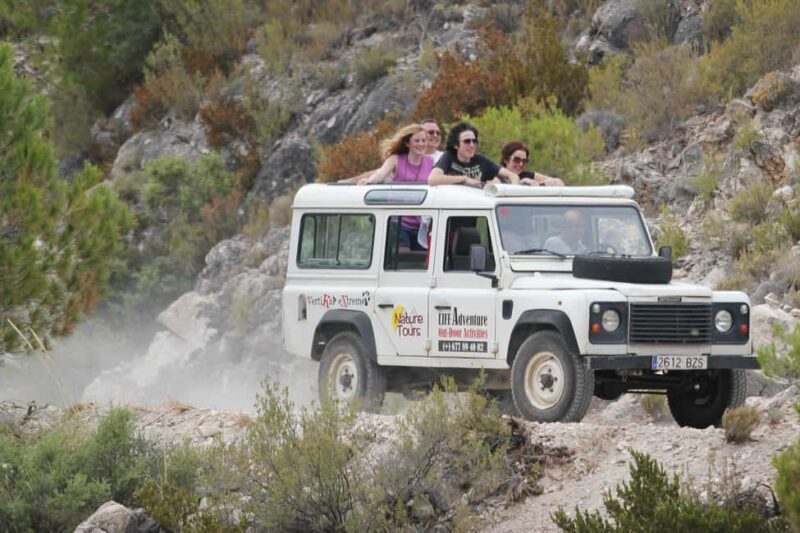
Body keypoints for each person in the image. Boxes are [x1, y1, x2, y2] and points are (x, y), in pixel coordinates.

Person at [358, 124, 433, 251]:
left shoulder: (430, 161)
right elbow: (381, 174)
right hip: (398, 221)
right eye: (417, 140)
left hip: (420, 224)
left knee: (420, 262)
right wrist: (370, 181)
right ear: (407, 143)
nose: (421, 144)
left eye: (424, 141)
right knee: (403, 256)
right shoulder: (395, 159)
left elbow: (438, 180)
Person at [428, 122, 519, 186]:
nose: (472, 145)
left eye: (474, 141)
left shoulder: (481, 160)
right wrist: (464, 179)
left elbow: (512, 176)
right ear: (456, 145)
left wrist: (513, 189)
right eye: (467, 141)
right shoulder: (448, 157)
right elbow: (432, 179)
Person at [500, 141, 564, 187]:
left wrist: (540, 183)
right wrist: (522, 184)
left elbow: (560, 182)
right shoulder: (497, 174)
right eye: (517, 160)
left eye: (524, 161)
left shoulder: (526, 175)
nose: (521, 164)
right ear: (506, 160)